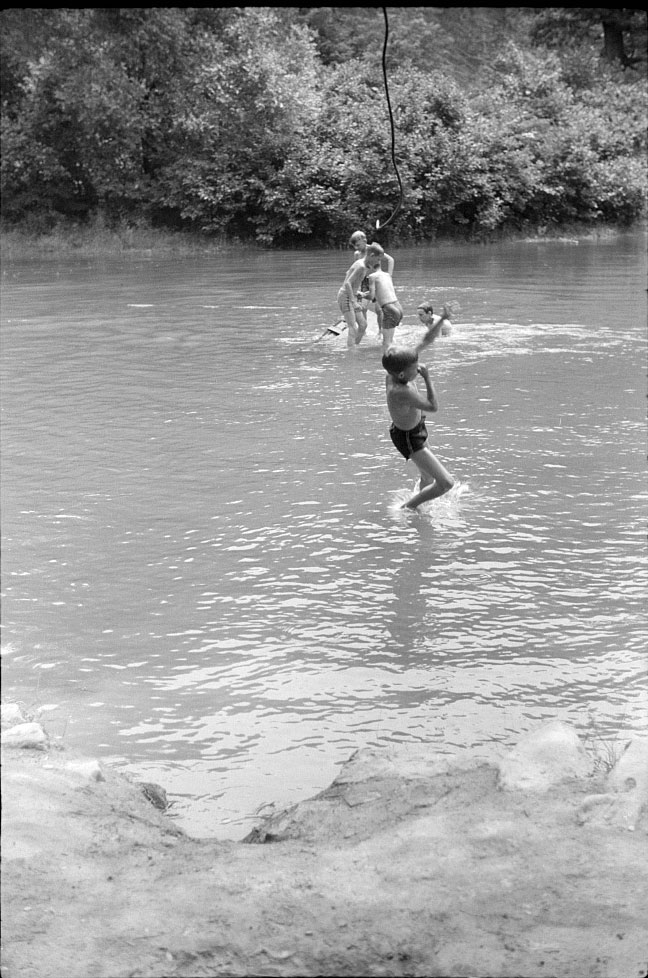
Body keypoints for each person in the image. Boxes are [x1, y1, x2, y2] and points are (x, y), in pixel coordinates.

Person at [382, 305, 455, 509]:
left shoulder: (396, 368)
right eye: (416, 368)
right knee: (446, 483)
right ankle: (407, 509)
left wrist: (442, 319)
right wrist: (428, 378)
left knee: (429, 478)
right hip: (409, 438)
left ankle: (421, 505)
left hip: (415, 428)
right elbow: (432, 406)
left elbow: (426, 340)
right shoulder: (400, 391)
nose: (419, 368)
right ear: (403, 375)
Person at [337, 243, 384, 347]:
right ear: (372, 256)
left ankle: (355, 346)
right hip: (346, 297)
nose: (378, 262)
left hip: (351, 295)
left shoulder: (363, 265)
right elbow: (347, 283)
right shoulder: (361, 266)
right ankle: (351, 352)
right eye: (378, 259)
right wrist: (353, 302)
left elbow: (347, 273)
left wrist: (357, 293)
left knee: (363, 325)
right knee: (353, 327)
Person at [349, 230, 395, 333]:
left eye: (358, 245)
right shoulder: (357, 254)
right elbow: (356, 269)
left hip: (377, 281)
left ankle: (380, 332)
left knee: (379, 310)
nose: (356, 248)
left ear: (364, 240)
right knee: (362, 308)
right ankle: (364, 331)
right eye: (355, 246)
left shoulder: (373, 250)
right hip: (365, 282)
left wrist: (389, 276)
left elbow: (390, 260)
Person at [366, 266, 402, 350]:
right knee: (390, 341)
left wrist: (360, 294)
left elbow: (371, 296)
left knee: (386, 344)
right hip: (398, 307)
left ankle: (390, 361)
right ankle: (397, 358)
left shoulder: (372, 276)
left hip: (390, 309)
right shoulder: (387, 275)